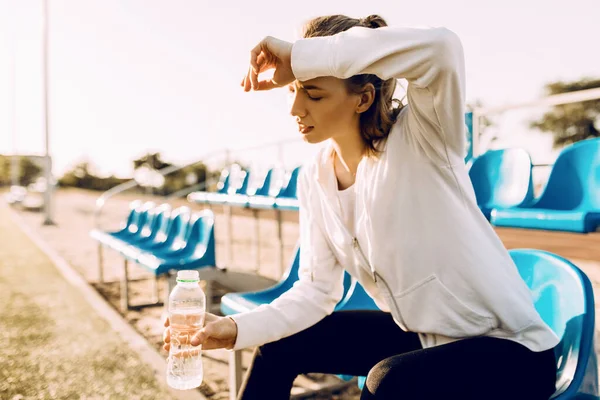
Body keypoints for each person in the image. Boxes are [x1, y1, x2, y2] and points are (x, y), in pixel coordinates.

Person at [164, 14, 559, 399]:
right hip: (425, 339)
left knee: (387, 381)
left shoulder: (424, 138)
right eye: (294, 90)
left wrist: (299, 55)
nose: (296, 109)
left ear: (364, 98)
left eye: (314, 93)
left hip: (514, 352)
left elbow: (441, 48)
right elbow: (315, 291)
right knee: (278, 347)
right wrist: (234, 329)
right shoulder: (315, 177)